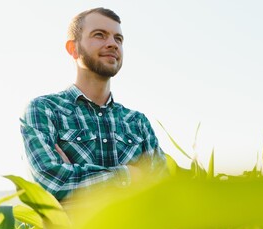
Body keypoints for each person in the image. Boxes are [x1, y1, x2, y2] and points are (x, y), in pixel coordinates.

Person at [20, 7, 166, 201]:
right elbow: (52, 185)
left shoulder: (137, 123)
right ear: (73, 49)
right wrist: (131, 176)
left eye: (118, 39)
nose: (113, 44)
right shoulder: (44, 110)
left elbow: (163, 194)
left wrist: (75, 177)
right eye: (100, 35)